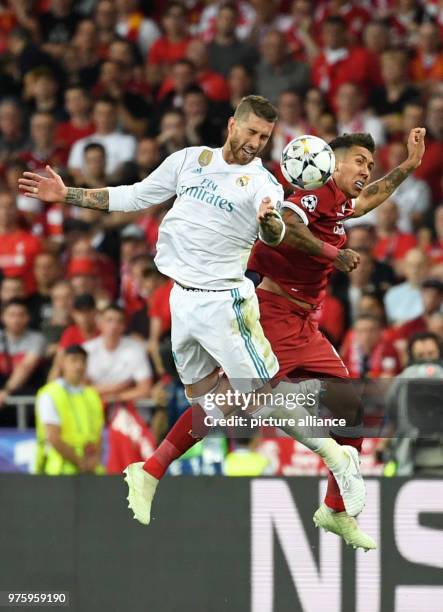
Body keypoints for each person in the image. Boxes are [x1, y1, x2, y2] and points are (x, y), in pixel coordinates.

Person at [19, 95, 367, 534]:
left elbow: (275, 232)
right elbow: (133, 196)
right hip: (180, 300)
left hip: (225, 303)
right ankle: (148, 472)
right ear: (231, 125)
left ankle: (340, 460)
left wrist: (268, 221)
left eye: (264, 137)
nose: (255, 143)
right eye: (251, 132)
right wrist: (64, 193)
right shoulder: (189, 160)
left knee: (258, 395)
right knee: (210, 403)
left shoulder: (264, 185)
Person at [247, 128, 425, 547]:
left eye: (370, 163)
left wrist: (408, 166)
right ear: (332, 162)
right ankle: (155, 467)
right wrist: (335, 254)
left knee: (352, 413)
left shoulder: (339, 204)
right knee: (237, 406)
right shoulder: (312, 193)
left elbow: (369, 199)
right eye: (360, 161)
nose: (367, 169)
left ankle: (334, 510)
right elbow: (287, 227)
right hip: (272, 314)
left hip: (304, 323)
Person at [35, 344, 105, 475]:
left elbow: (99, 436)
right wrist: (80, 462)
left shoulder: (92, 395)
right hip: (58, 471)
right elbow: (53, 437)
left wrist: (94, 461)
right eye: (74, 360)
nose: (79, 366)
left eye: (83, 361)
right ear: (62, 363)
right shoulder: (50, 394)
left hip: (92, 471)